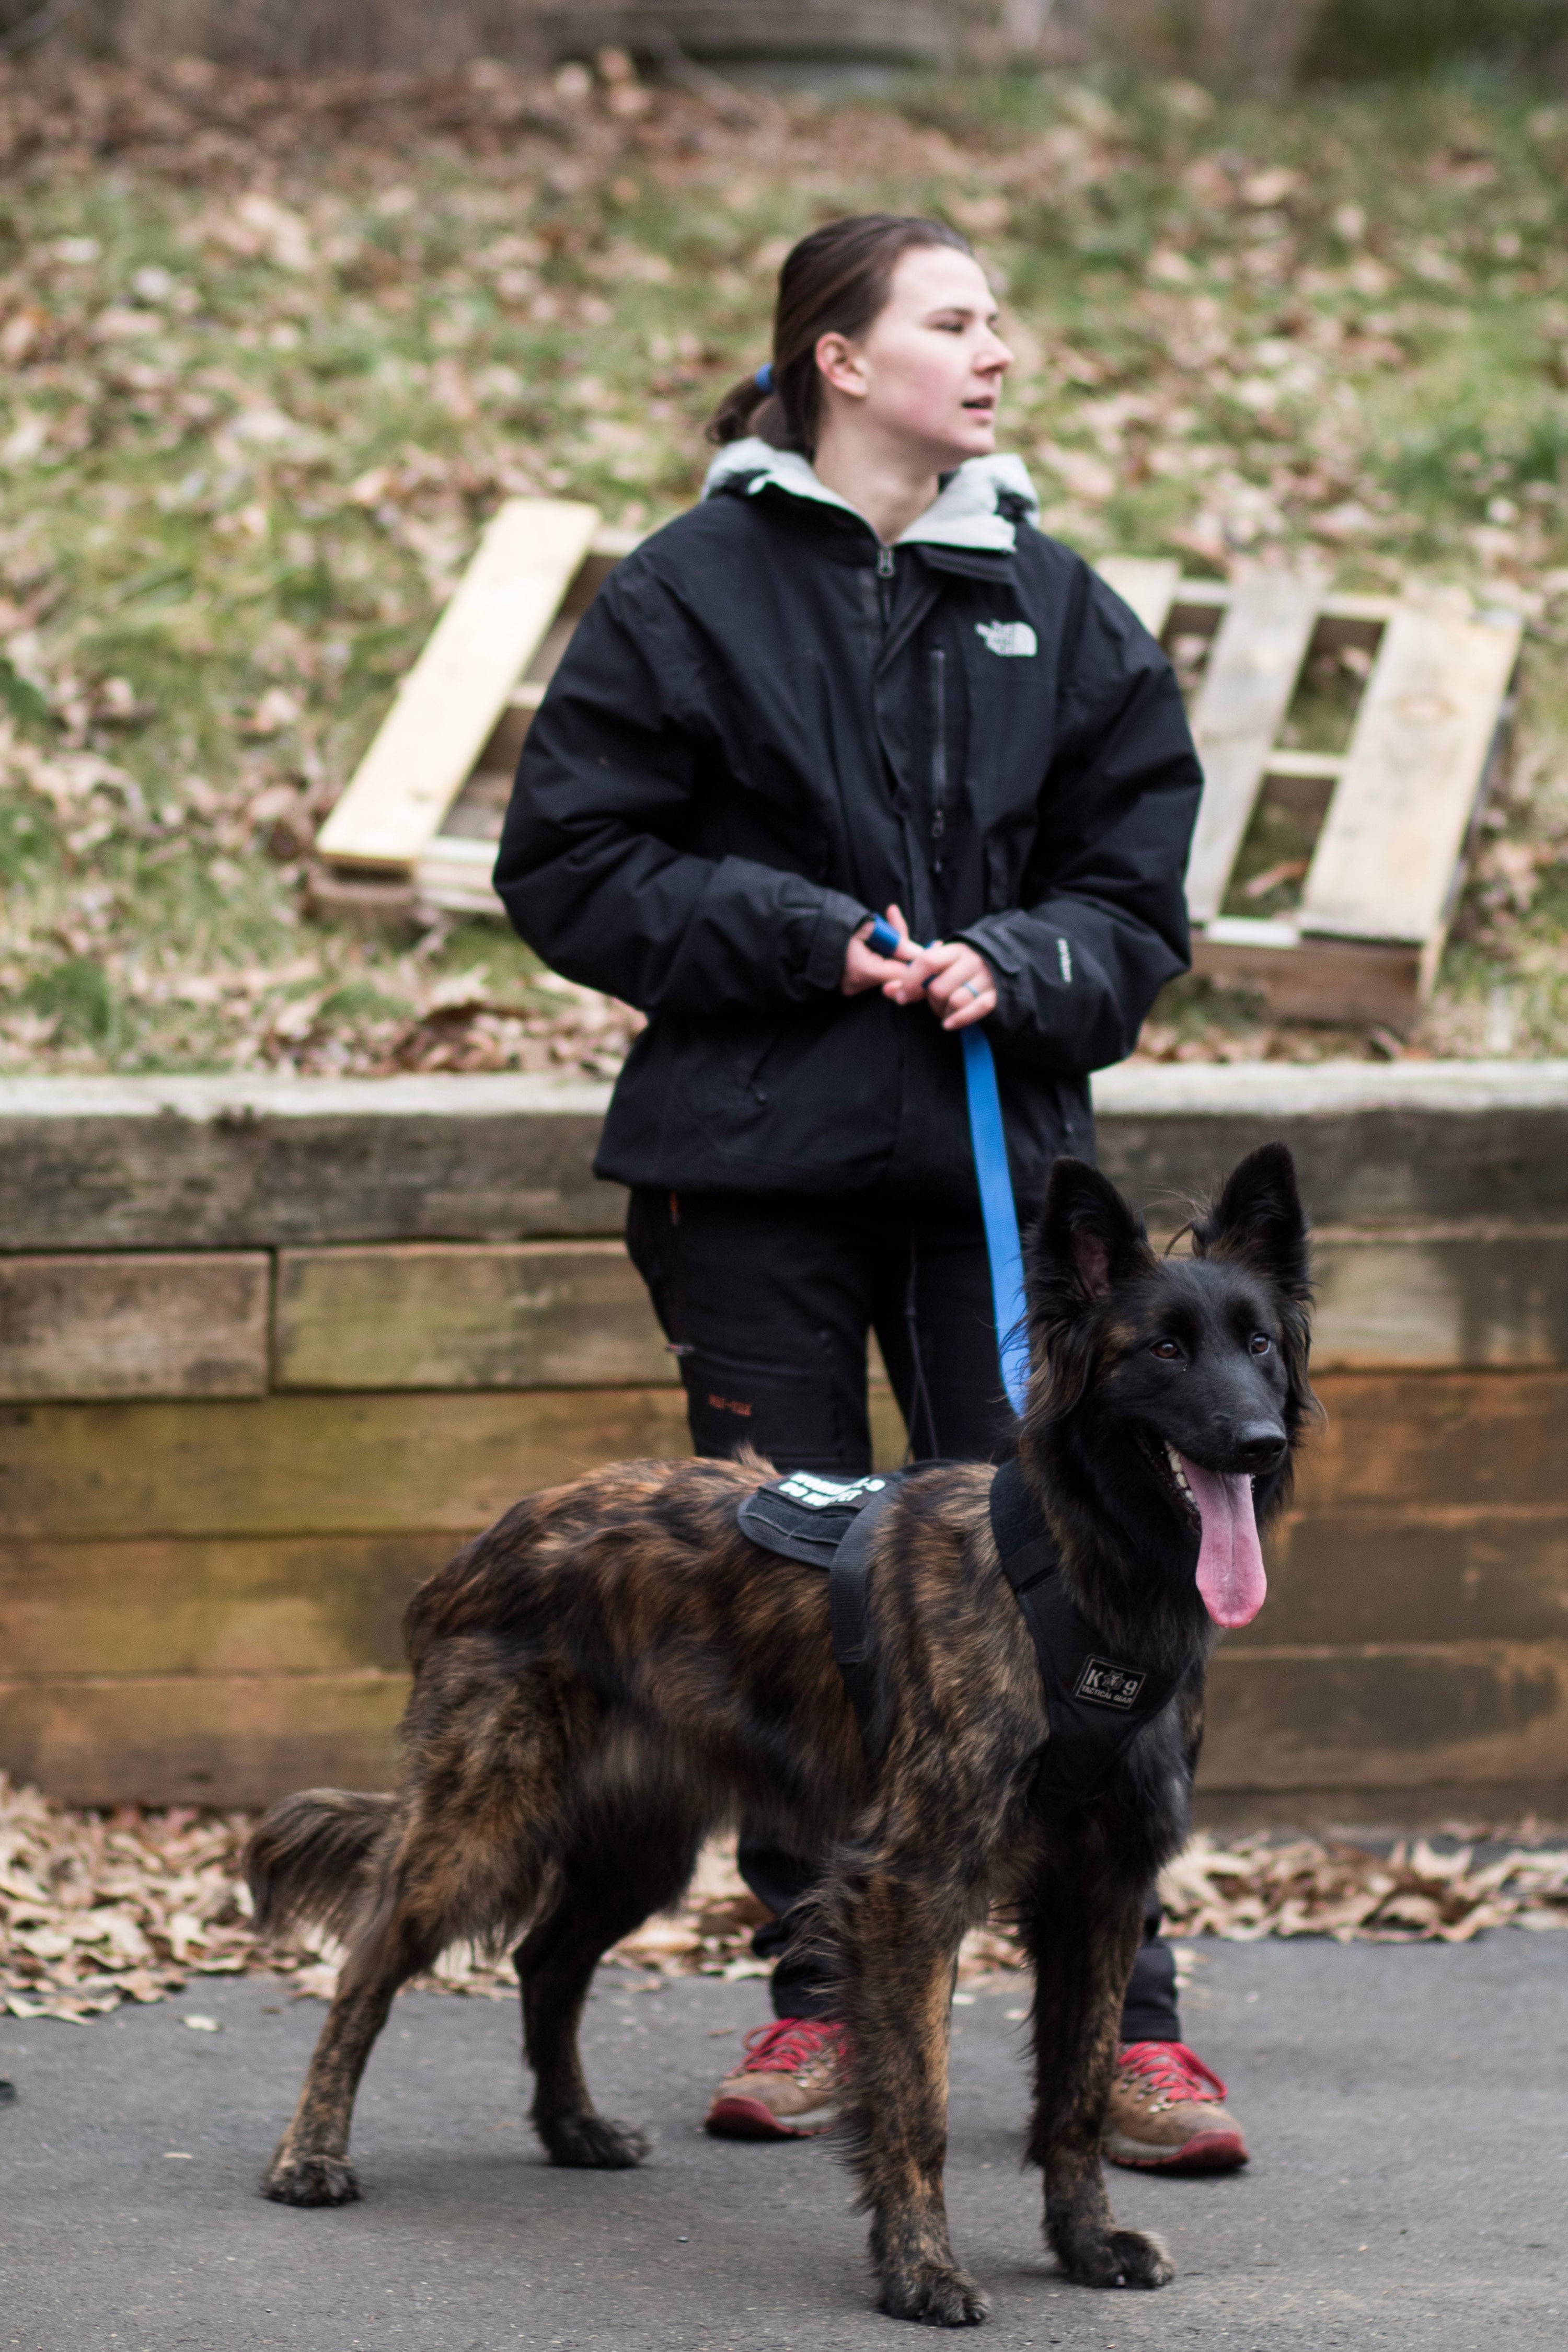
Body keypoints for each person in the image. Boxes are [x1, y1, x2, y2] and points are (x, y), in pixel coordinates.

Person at [496, 213, 1246, 2174]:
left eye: (1000, 312)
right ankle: (823, 2004)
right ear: (839, 356)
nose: (999, 344)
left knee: (1080, 1577)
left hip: (1005, 1186)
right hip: (748, 1176)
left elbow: (1139, 886)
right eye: (956, 318)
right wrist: (806, 936)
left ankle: (1130, 2030)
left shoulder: (1055, 603)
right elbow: (568, 861)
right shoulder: (685, 590)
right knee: (796, 1585)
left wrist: (1034, 960)